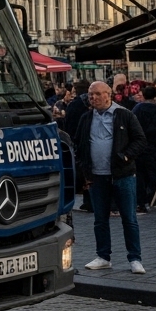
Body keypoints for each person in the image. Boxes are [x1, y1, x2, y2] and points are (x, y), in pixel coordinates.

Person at [74, 81, 147, 274]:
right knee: (100, 219)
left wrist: (125, 156)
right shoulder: (86, 117)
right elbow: (79, 144)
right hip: (97, 176)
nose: (94, 98)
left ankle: (135, 258)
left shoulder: (124, 114)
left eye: (98, 94)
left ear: (109, 95)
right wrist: (84, 172)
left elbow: (140, 140)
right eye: (91, 95)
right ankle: (103, 256)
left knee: (129, 218)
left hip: (122, 175)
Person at [62, 79, 93, 212]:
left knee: (83, 172)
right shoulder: (89, 104)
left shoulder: (74, 105)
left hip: (76, 140)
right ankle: (90, 201)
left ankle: (88, 201)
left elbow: (68, 124)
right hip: (88, 140)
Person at [134, 86, 156, 215]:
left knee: (139, 176)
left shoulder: (137, 109)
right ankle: (153, 198)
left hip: (138, 148)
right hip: (154, 148)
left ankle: (141, 202)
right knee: (154, 174)